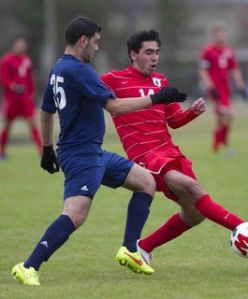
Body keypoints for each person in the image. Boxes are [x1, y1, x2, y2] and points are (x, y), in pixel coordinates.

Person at [11, 16, 187, 286]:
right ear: (83, 41)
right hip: (81, 155)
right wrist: (155, 98)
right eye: (95, 43)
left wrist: (47, 148)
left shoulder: (59, 67)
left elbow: (46, 111)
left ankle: (130, 249)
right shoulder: (79, 71)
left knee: (145, 181)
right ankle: (28, 265)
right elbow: (114, 107)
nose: (96, 48)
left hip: (93, 152)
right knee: (76, 214)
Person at [101, 29, 248, 267]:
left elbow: (174, 121)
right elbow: (88, 92)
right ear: (133, 54)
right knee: (193, 188)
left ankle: (144, 247)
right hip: (145, 158)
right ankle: (247, 228)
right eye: (148, 52)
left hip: (169, 151)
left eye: (157, 53)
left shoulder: (161, 81)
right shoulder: (113, 80)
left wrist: (192, 113)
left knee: (195, 213)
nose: (154, 58)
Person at [199, 21, 248, 153]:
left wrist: (241, 85)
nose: (221, 37)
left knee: (223, 119)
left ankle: (217, 146)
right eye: (218, 35)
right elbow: (203, 70)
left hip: (225, 88)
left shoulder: (228, 50)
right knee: (228, 114)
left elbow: (234, 68)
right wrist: (209, 85)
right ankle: (224, 146)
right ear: (214, 36)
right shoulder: (208, 51)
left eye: (223, 34)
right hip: (215, 89)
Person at [0, 36, 42, 159]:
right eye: (19, 45)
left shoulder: (27, 60)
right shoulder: (6, 60)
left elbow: (29, 79)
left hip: (25, 100)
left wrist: (32, 93)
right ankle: (2, 151)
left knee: (33, 124)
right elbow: (3, 78)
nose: (21, 47)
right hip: (12, 100)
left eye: (23, 45)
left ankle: (42, 151)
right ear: (14, 46)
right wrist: (13, 86)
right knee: (7, 126)